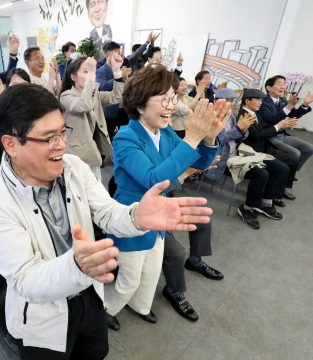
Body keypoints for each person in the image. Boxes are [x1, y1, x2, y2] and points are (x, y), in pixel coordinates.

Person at [0, 82, 213, 359]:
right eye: (49, 137)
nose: (62, 144)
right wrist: (77, 265)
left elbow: (108, 214)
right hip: (43, 316)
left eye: (63, 132)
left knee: (95, 352)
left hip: (90, 295)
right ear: (11, 144)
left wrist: (137, 216)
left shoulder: (73, 167)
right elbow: (28, 279)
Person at [105, 64, 226, 331]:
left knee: (149, 275)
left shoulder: (165, 131)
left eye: (172, 98)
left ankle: (141, 306)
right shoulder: (126, 138)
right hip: (132, 217)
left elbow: (199, 160)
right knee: (128, 280)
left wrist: (208, 138)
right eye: (163, 99)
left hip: (158, 217)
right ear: (139, 105)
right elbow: (154, 179)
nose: (171, 105)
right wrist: (192, 139)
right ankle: (106, 309)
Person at [206, 88, 290, 229]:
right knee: (261, 174)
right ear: (215, 102)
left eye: (232, 101)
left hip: (239, 153)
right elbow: (215, 141)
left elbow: (240, 138)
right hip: (221, 159)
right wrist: (239, 129)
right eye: (227, 101)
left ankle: (266, 202)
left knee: (281, 168)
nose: (231, 104)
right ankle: (248, 208)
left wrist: (243, 130)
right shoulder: (208, 119)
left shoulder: (232, 117)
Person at [60, 56, 123, 181]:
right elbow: (85, 105)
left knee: (93, 194)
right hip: (76, 157)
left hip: (92, 153)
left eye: (89, 71)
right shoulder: (66, 96)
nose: (90, 75)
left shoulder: (94, 95)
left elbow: (116, 96)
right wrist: (92, 73)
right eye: (85, 71)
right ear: (73, 77)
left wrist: (116, 71)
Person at [239, 89, 299, 202]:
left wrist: (281, 124)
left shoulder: (256, 114)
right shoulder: (243, 117)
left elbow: (266, 126)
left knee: (293, 160)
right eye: (257, 100)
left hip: (265, 148)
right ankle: (269, 199)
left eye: (261, 100)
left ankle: (280, 190)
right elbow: (257, 135)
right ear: (247, 101)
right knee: (282, 168)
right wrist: (278, 126)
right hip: (254, 152)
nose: (260, 103)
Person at [257, 75, 313, 174]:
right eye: (279, 84)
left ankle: (290, 174)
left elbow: (293, 115)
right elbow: (272, 120)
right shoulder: (263, 102)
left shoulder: (283, 100)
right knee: (295, 153)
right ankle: (282, 175)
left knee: (310, 148)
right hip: (269, 136)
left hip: (282, 135)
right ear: (269, 88)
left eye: (284, 84)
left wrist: (305, 104)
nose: (283, 87)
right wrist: (290, 105)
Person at [96, 42, 131, 139]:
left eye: (119, 54)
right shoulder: (101, 71)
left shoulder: (121, 68)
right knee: (106, 138)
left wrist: (126, 78)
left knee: (126, 136)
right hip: (109, 111)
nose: (118, 57)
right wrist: (118, 76)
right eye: (115, 55)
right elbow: (102, 87)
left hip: (123, 109)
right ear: (107, 55)